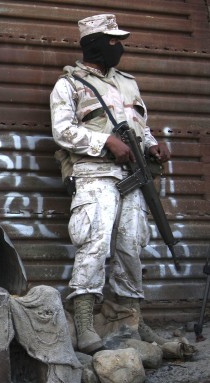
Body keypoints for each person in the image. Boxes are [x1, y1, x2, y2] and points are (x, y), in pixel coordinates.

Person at [49, 14, 172, 354]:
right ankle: (86, 323)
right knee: (96, 240)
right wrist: (105, 142)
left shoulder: (128, 83)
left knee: (131, 243)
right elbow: (62, 130)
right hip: (93, 173)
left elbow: (138, 126)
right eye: (113, 41)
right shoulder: (69, 85)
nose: (119, 47)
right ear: (94, 44)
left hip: (134, 174)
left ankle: (130, 317)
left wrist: (152, 145)